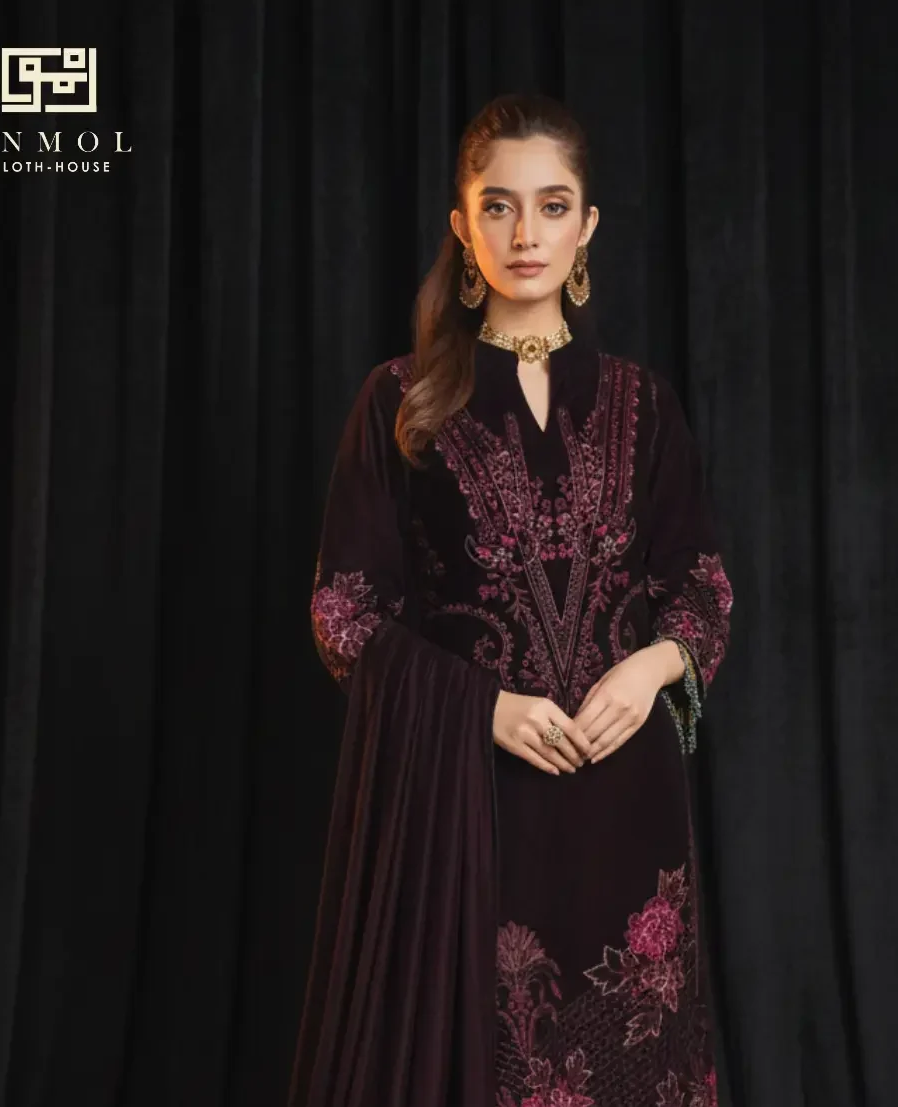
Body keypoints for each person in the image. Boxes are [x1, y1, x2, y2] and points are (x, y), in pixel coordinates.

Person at [288, 92, 733, 1107]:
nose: (525, 232)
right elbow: (345, 612)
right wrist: (483, 710)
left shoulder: (643, 401)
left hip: (628, 799)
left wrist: (655, 666)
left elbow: (701, 585)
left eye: (551, 205)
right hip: (472, 805)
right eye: (498, 205)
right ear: (462, 225)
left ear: (587, 226)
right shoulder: (401, 400)